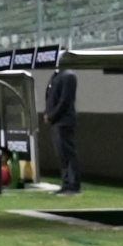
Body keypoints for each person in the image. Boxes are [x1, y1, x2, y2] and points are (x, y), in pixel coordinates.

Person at [43, 64, 81, 195]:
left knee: (68, 154)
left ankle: (73, 185)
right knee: (62, 155)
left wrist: (52, 115)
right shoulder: (56, 75)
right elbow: (51, 97)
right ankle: (66, 183)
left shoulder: (68, 75)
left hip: (63, 121)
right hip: (57, 122)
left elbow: (65, 100)